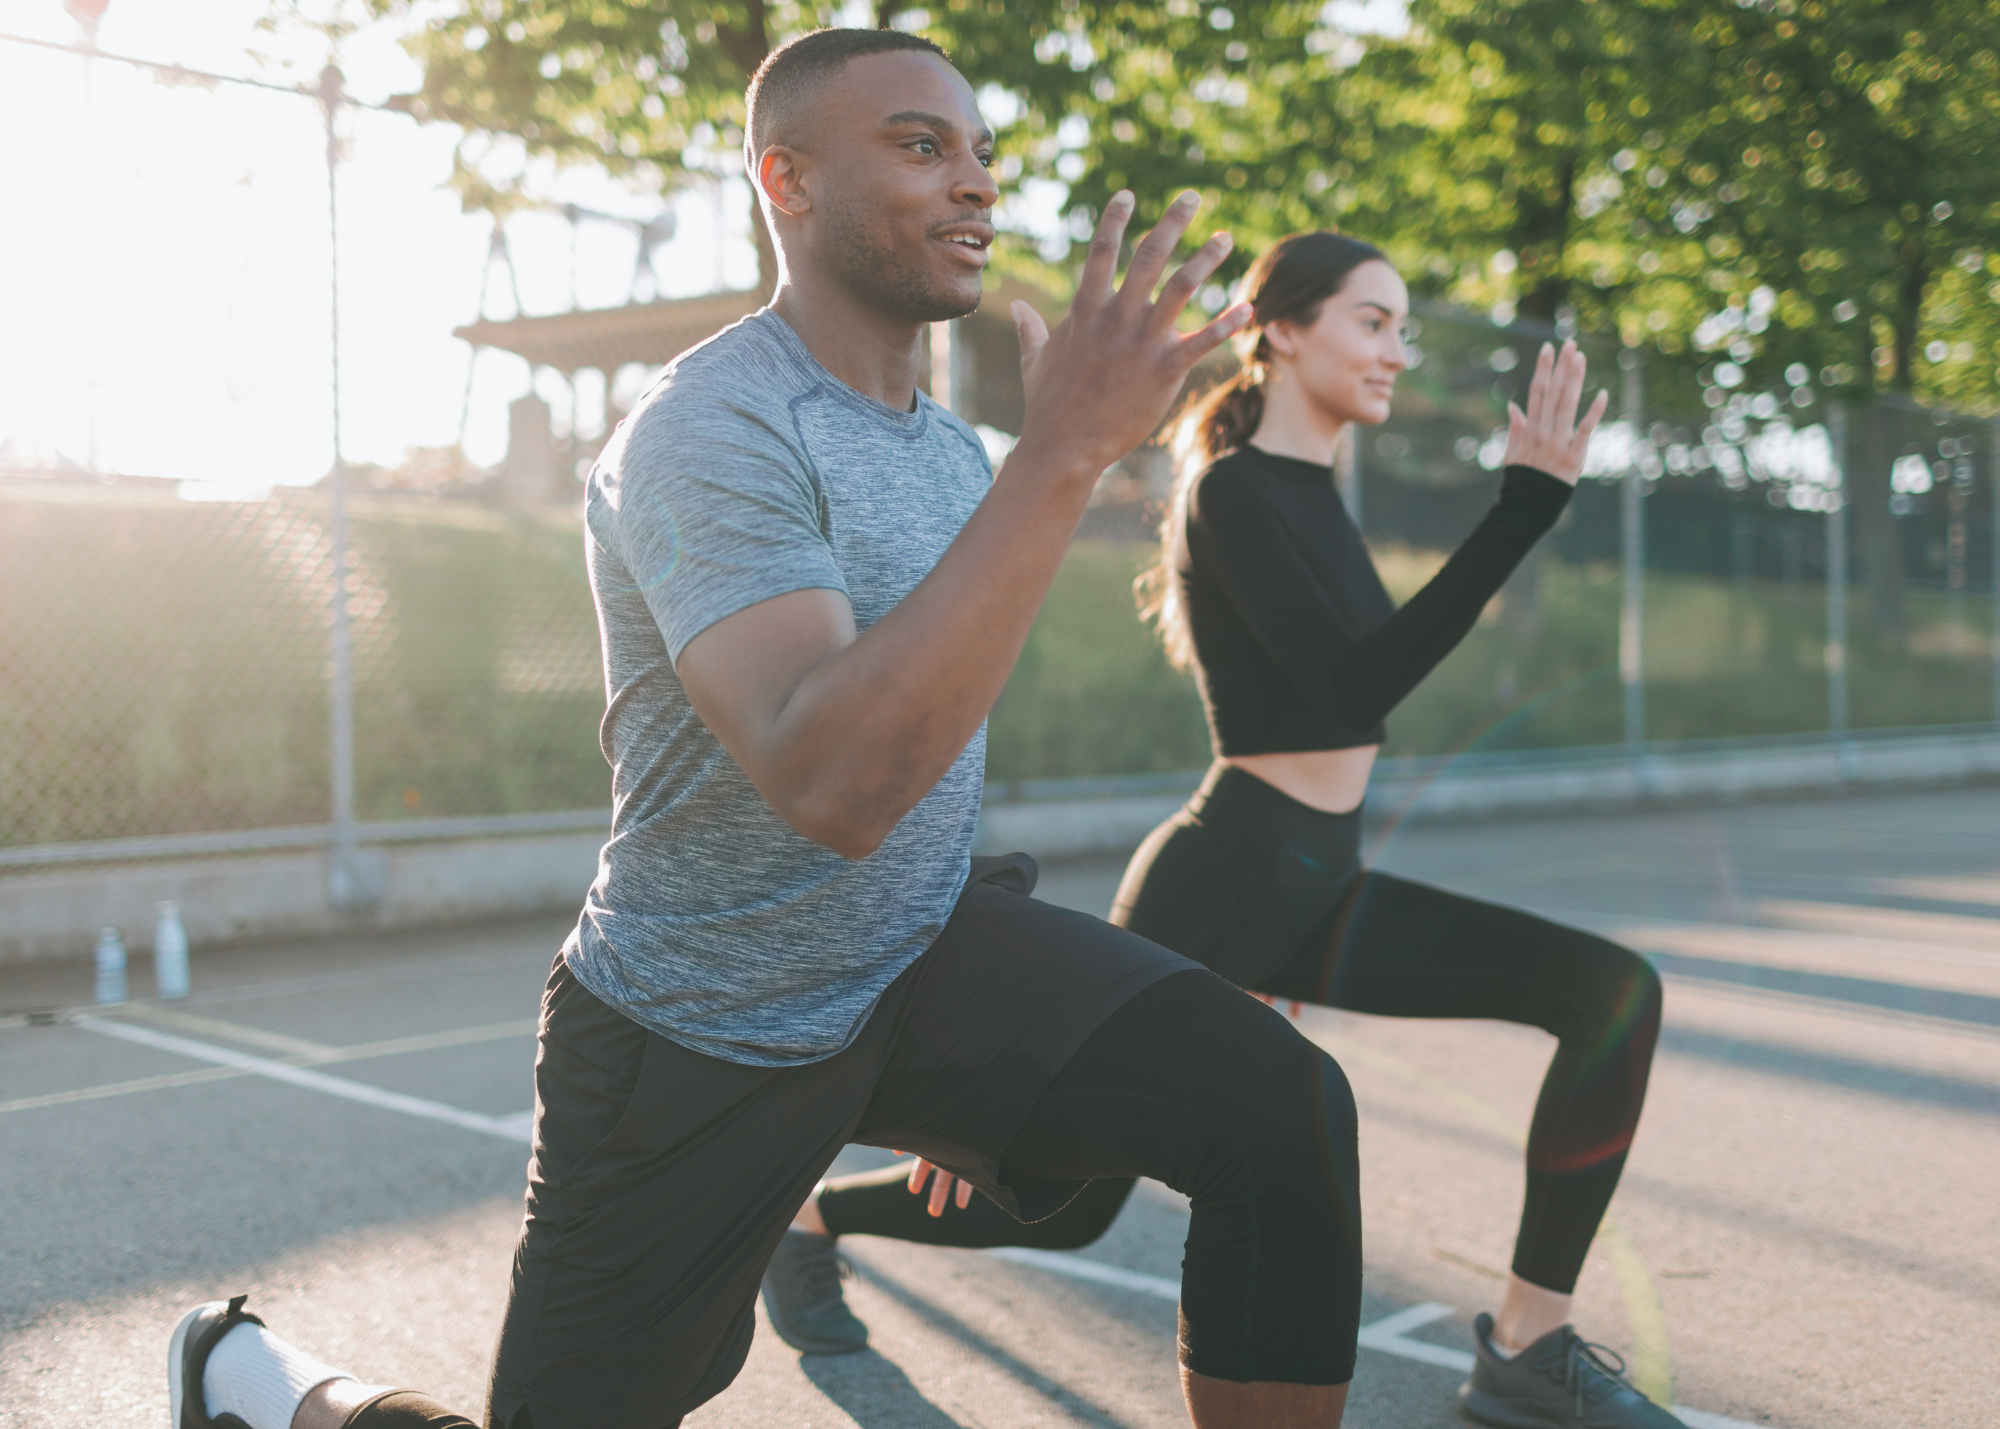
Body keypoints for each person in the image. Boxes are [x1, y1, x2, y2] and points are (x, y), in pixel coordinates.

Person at [171, 30, 1381, 1429]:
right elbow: (835, 778)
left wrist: (983, 1063)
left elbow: (929, 742)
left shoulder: (944, 452)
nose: (974, 182)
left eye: (982, 153)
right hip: (703, 1026)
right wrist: (1063, 453)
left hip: (918, 962)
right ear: (787, 182)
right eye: (923, 147)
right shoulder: (709, 426)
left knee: (1281, 1112)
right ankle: (269, 1387)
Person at [769, 232, 1683, 1429]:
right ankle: (806, 1217)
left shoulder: (1311, 493)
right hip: (1228, 875)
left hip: (1323, 881)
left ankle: (1524, 1342)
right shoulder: (1233, 491)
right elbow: (1349, 691)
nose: (1394, 350)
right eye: (1371, 320)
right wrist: (1520, 511)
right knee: (1056, 1193)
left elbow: (1355, 692)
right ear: (1283, 329)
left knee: (1609, 991)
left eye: (1403, 326)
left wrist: (1524, 510)